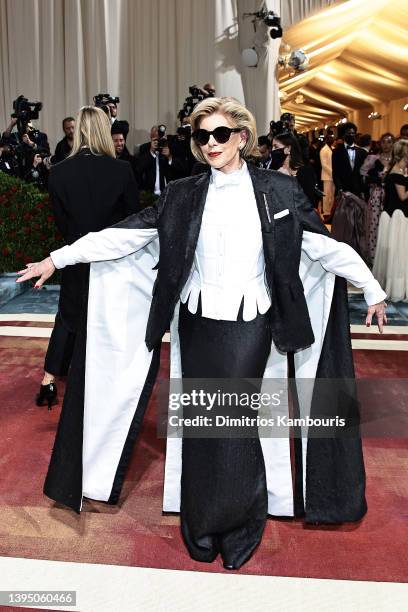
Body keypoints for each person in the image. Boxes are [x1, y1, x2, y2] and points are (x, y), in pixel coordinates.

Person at [17, 97, 387, 570]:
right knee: (199, 426)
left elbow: (322, 246)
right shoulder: (183, 193)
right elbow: (124, 234)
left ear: (242, 138)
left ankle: (240, 523)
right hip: (196, 323)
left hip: (251, 323)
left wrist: (371, 289)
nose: (210, 144)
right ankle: (200, 522)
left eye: (220, 134)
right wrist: (57, 258)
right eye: (202, 136)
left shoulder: (278, 190)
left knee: (232, 424)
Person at [35, 106, 140, 409]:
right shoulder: (121, 170)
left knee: (68, 318)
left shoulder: (58, 172)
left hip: (75, 256)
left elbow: (62, 223)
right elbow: (132, 220)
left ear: (77, 130)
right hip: (113, 261)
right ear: (105, 131)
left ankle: (48, 381)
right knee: (111, 320)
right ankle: (108, 385)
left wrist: (76, 247)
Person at [373, 139, 408, 301]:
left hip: (392, 215)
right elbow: (403, 196)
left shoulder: (394, 171)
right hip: (398, 217)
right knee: (399, 253)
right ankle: (397, 287)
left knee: (396, 253)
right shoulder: (397, 173)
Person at [360, 133, 394, 264]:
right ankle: (374, 258)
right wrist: (376, 179)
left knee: (390, 226)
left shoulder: (397, 161)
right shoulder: (373, 159)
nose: (386, 144)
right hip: (376, 195)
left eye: (389, 142)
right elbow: (364, 176)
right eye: (383, 141)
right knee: (375, 225)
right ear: (380, 143)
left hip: (391, 197)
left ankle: (388, 259)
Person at [271, 131, 318, 208]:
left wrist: (287, 180)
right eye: (272, 147)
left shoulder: (305, 171)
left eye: (276, 147)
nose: (272, 150)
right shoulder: (275, 169)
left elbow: (308, 201)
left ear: (288, 148)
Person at [332, 122, 367, 197]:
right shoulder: (337, 152)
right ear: (343, 135)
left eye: (353, 133)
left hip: (358, 190)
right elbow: (335, 173)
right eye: (348, 133)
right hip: (344, 190)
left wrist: (363, 190)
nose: (351, 135)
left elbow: (364, 173)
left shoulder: (362, 152)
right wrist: (340, 189)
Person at [320, 133, 335, 218]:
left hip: (333, 176)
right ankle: (326, 212)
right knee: (326, 194)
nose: (331, 140)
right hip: (327, 175)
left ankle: (331, 211)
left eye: (332, 139)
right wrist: (332, 172)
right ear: (326, 140)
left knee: (332, 195)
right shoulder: (323, 150)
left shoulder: (333, 148)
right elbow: (324, 164)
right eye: (329, 139)